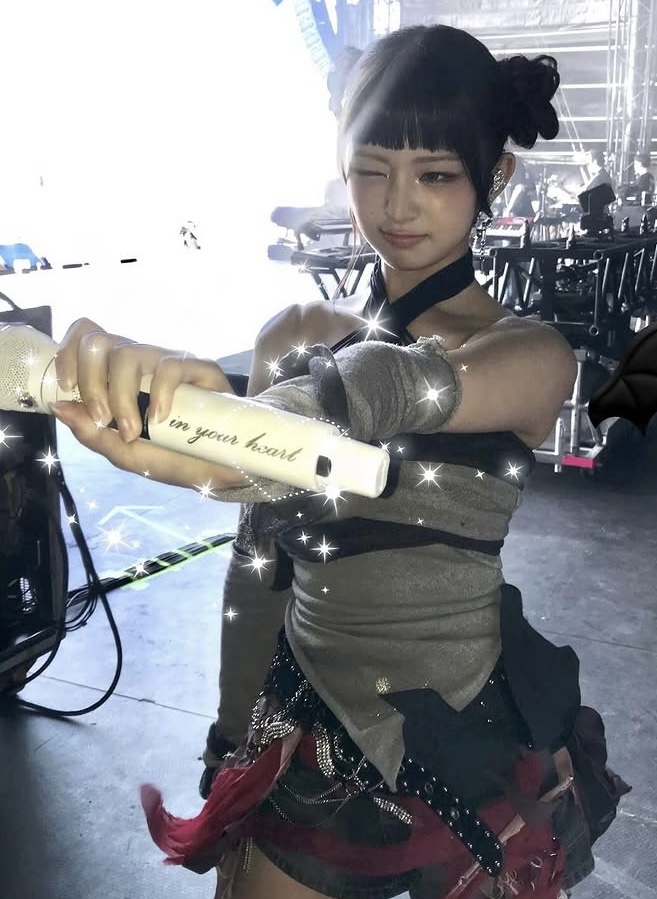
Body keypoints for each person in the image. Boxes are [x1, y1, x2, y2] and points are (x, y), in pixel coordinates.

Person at [53, 25, 629, 899]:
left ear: (495, 176)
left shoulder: (528, 352)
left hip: (472, 733)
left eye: (435, 174)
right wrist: (229, 733)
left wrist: (226, 424)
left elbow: (397, 387)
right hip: (309, 723)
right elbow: (258, 559)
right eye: (370, 168)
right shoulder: (291, 334)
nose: (398, 203)